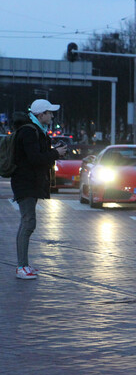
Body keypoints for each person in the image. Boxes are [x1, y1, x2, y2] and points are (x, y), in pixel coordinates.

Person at [11, 99, 67, 279]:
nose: (52, 115)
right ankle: (21, 267)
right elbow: (35, 159)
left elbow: (37, 156)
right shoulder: (29, 131)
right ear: (40, 115)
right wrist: (55, 153)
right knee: (28, 222)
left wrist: (53, 151)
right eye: (50, 113)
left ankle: (24, 265)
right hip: (25, 183)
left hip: (29, 182)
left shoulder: (36, 131)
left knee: (28, 222)